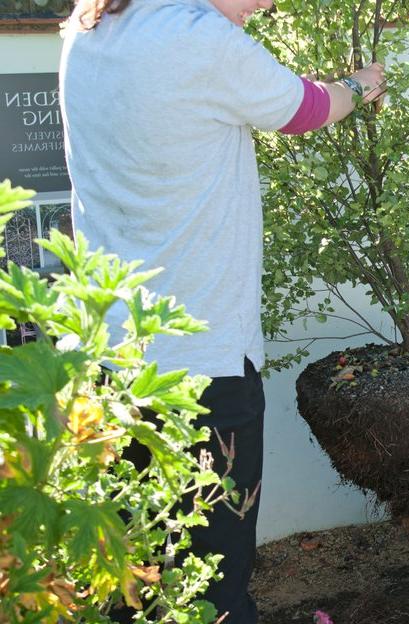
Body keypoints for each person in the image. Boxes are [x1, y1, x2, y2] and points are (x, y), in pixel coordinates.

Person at [59, 0, 385, 621]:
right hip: (199, 362)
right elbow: (307, 109)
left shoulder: (88, 29)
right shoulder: (196, 36)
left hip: (106, 353)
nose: (267, 3)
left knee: (127, 570)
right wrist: (360, 85)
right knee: (212, 576)